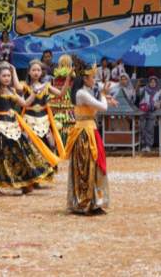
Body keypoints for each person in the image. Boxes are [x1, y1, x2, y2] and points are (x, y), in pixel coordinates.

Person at [0, 62, 61, 195]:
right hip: (0, 126)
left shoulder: (12, 90)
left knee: (21, 153)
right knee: (0, 156)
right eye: (4, 76)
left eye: (8, 75)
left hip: (14, 125)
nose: (7, 78)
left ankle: (24, 182)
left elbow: (24, 103)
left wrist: (35, 93)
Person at [65, 54, 117, 215]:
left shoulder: (83, 93)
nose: (94, 79)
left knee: (91, 168)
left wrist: (104, 98)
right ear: (85, 78)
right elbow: (102, 108)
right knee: (87, 168)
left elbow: (95, 107)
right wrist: (103, 96)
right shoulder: (81, 93)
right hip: (85, 134)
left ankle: (93, 202)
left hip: (88, 131)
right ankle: (85, 202)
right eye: (93, 77)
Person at [15, 59, 71, 161]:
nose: (36, 72)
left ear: (41, 72)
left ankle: (47, 166)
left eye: (38, 70)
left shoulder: (46, 85)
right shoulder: (24, 85)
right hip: (29, 118)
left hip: (44, 119)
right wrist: (14, 71)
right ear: (29, 71)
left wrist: (67, 79)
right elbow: (17, 87)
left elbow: (61, 94)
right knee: (30, 143)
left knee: (48, 142)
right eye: (33, 70)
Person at [139, 76, 161, 152]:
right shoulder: (144, 89)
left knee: (150, 129)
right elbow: (137, 94)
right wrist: (138, 86)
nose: (152, 83)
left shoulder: (159, 91)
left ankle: (148, 145)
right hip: (143, 111)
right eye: (151, 82)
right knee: (142, 129)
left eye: (154, 82)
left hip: (152, 111)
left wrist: (160, 103)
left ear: (156, 83)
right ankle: (142, 145)